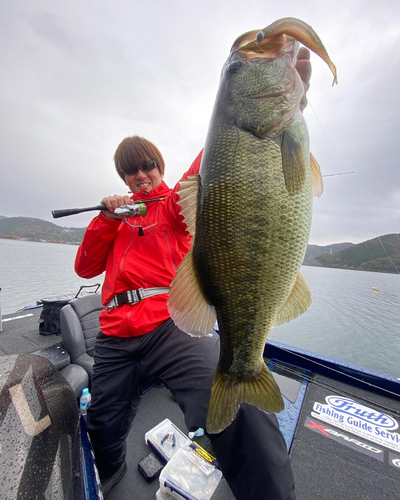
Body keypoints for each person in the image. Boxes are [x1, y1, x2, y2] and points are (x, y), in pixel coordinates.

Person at [75, 48, 312, 500]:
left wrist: (278, 101)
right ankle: (109, 481)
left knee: (236, 406)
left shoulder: (176, 203)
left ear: (160, 167)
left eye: (148, 165)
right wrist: (107, 218)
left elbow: (223, 154)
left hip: (170, 324)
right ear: (123, 178)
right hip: (114, 334)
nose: (142, 174)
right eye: (131, 170)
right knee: (102, 421)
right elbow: (85, 267)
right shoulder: (113, 220)